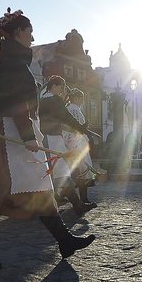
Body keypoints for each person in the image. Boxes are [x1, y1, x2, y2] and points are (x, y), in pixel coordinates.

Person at [0, 10, 95, 273]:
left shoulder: (10, 58)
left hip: (11, 133)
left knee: (37, 185)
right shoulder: (12, 61)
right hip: (10, 135)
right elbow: (16, 101)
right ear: (18, 33)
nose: (32, 36)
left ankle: (64, 241)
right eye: (29, 31)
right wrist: (28, 135)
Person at [39, 76, 97, 213]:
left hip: (45, 138)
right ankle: (76, 205)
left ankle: (68, 202)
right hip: (52, 139)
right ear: (54, 86)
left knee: (55, 173)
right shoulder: (54, 100)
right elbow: (67, 118)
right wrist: (82, 128)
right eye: (62, 87)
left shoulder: (41, 100)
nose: (63, 90)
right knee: (60, 172)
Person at [63, 88, 98, 203]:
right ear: (76, 98)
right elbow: (78, 128)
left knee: (74, 170)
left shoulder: (70, 109)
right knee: (83, 170)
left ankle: (71, 197)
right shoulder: (74, 110)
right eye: (81, 98)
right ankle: (82, 199)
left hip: (71, 142)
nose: (82, 100)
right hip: (77, 143)